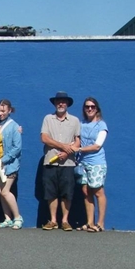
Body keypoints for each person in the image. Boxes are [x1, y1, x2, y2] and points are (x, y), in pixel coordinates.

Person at [40, 91, 81, 231]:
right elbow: (44, 138)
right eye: (58, 101)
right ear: (55, 104)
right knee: (50, 192)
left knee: (67, 192)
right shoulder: (48, 119)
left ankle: (65, 221)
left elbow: (77, 142)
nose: (61, 104)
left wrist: (66, 152)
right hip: (50, 161)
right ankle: (53, 220)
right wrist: (63, 146)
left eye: (63, 101)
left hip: (68, 163)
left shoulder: (75, 121)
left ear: (67, 104)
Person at [77, 97, 109, 232]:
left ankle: (100, 223)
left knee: (98, 191)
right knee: (86, 192)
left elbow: (97, 146)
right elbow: (76, 141)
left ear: (97, 109)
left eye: (92, 107)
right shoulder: (81, 124)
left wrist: (79, 149)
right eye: (87, 107)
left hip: (97, 163)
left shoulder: (101, 125)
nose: (90, 109)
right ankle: (90, 222)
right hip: (82, 163)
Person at [0, 99, 23, 229]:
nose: (0, 113)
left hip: (9, 165)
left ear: (9, 110)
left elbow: (17, 148)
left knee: (5, 191)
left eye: (3, 111)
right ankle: (8, 218)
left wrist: (3, 160)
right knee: (0, 191)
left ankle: (18, 217)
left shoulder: (14, 126)